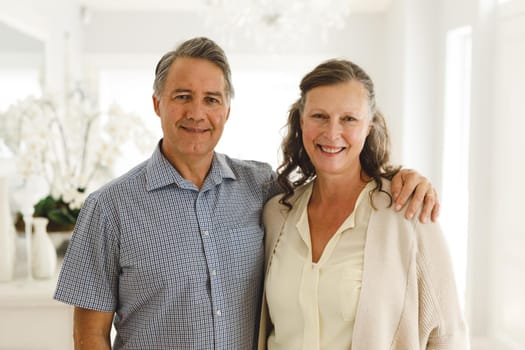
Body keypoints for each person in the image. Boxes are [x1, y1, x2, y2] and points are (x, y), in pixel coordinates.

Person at [54, 37, 439, 349]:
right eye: (182, 96)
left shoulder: (262, 189)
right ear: (157, 103)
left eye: (211, 99)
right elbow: (89, 335)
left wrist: (399, 177)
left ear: (227, 109)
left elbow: (335, 175)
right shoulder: (109, 209)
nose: (197, 113)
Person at [258, 59, 468, 350]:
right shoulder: (276, 214)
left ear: (369, 126)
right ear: (301, 121)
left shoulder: (407, 211)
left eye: (349, 119)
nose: (332, 133)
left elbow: (448, 336)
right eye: (319, 116)